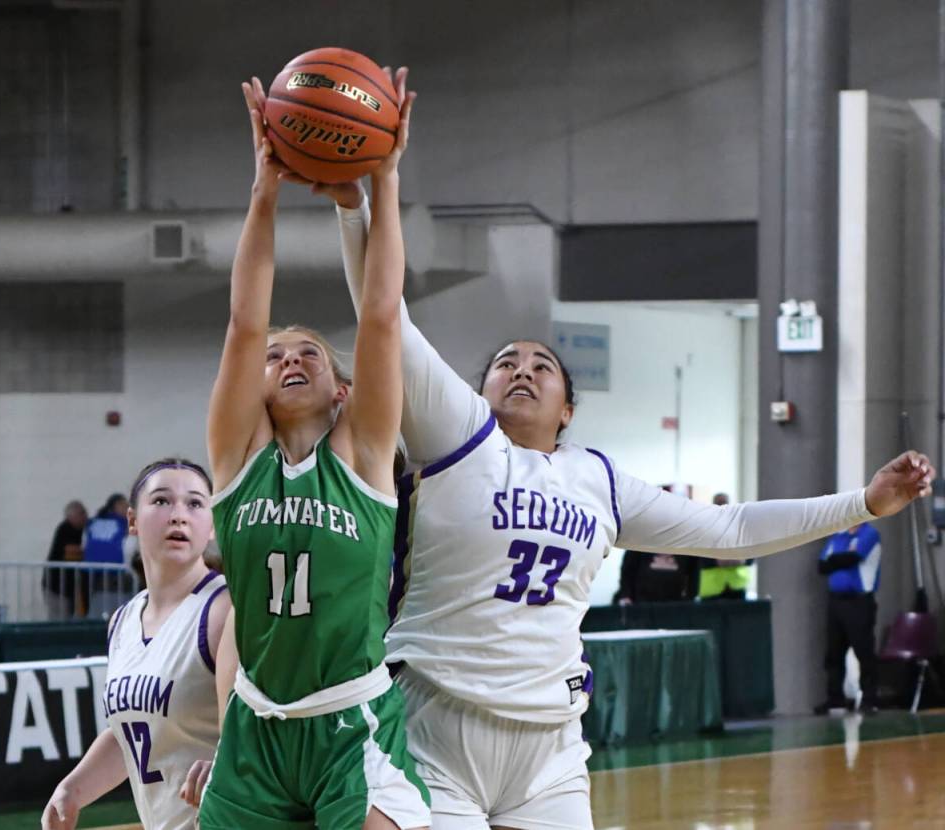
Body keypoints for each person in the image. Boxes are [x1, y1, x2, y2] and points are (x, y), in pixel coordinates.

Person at [336, 190, 935, 828]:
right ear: (477, 391)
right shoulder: (456, 436)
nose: (523, 370)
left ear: (567, 407)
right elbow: (383, 315)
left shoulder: (599, 480)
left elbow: (731, 529)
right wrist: (355, 209)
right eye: (506, 362)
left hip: (549, 745)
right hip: (436, 720)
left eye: (543, 366)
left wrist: (864, 504)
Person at [195, 72, 429, 830]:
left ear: (341, 390)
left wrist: (385, 182)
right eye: (277, 356)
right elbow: (241, 322)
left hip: (349, 725)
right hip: (256, 733)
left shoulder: (363, 457)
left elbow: (383, 316)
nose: (289, 358)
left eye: (311, 354)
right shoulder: (235, 461)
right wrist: (263, 189)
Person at [41, 458, 232, 830]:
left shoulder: (224, 610)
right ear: (131, 521)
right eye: (162, 501)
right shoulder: (123, 621)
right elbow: (132, 730)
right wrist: (72, 788)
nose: (179, 515)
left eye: (195, 504)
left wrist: (230, 762)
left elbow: (258, 725)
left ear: (211, 526)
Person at [814, 522, 882, 715]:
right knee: (833, 651)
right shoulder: (838, 536)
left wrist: (835, 560)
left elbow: (853, 558)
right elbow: (822, 565)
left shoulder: (869, 534)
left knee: (864, 650)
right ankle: (835, 698)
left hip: (859, 601)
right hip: (836, 601)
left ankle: (870, 698)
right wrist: (838, 560)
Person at [696, 492, 754, 601]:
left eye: (724, 503)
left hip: (737, 587)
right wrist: (717, 561)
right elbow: (697, 557)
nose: (722, 507)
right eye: (719, 504)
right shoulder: (704, 528)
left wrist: (742, 560)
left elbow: (752, 554)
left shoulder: (739, 528)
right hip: (712, 589)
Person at [84, 493, 131, 619]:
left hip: (95, 573)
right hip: (117, 574)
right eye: (123, 505)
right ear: (114, 506)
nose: (127, 508)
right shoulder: (123, 524)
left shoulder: (94, 522)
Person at [43, 500, 87, 620]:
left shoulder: (83, 530)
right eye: (81, 514)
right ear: (71, 517)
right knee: (59, 619)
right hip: (56, 587)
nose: (85, 517)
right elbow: (69, 551)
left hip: (69, 588)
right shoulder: (65, 529)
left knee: (68, 617)